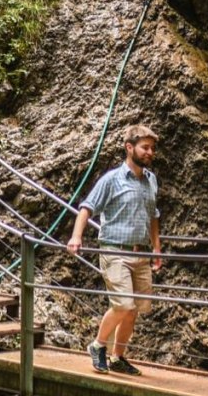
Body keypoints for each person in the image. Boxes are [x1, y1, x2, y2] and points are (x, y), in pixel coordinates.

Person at [68, 124, 162, 376]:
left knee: (134, 310)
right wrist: (76, 237)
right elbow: (87, 208)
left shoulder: (151, 180)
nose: (150, 152)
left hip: (141, 253)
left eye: (152, 148)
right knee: (123, 304)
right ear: (129, 147)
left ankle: (117, 357)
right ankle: (98, 345)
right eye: (145, 147)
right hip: (115, 251)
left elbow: (153, 215)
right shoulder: (112, 179)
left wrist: (156, 248)